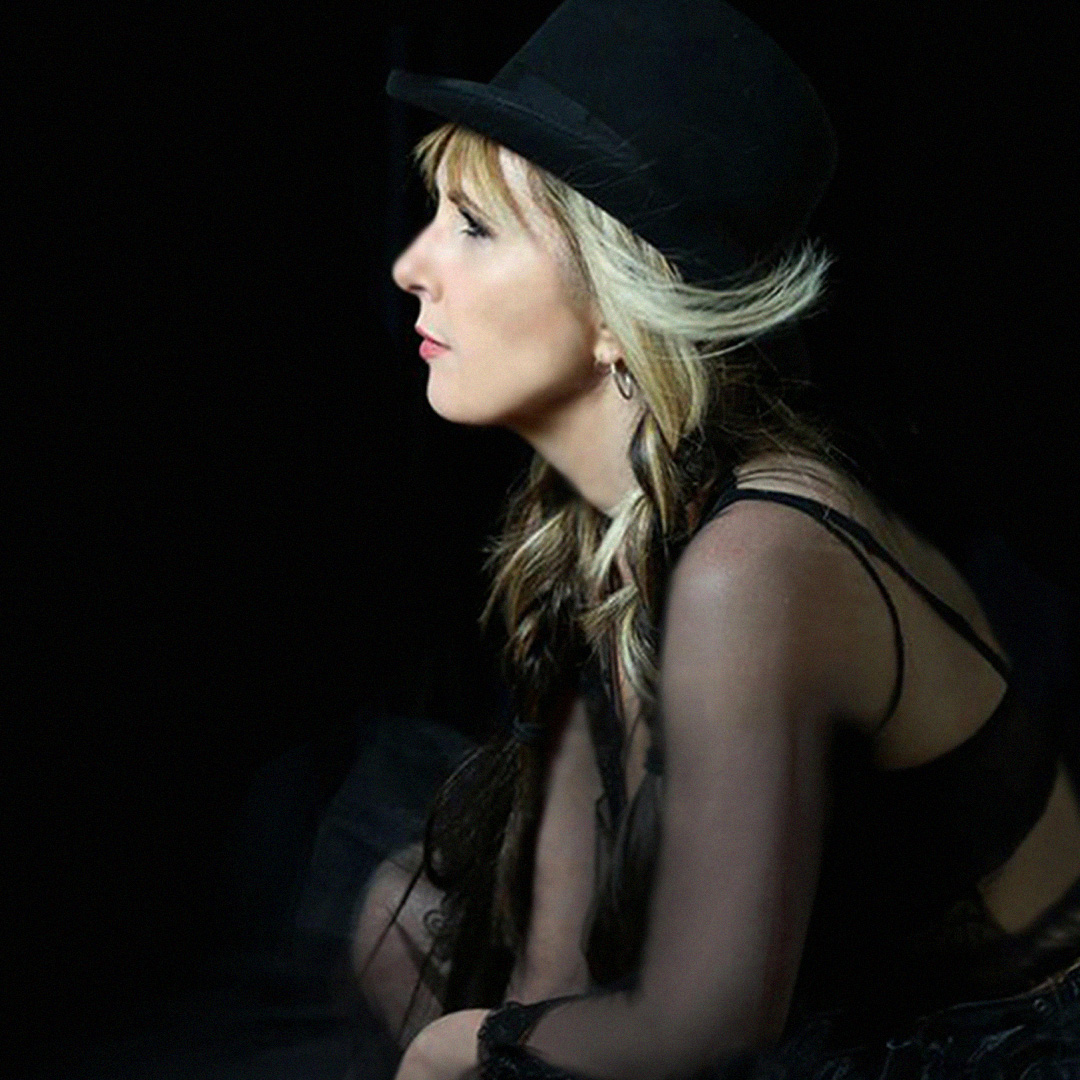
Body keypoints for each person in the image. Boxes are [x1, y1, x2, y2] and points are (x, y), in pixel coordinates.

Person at [355, 2, 1080, 1077]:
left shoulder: (753, 559)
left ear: (618, 309)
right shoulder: (597, 524)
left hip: (989, 1053)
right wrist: (496, 1041)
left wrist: (456, 1048)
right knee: (403, 920)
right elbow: (556, 954)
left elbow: (713, 1022)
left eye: (475, 226)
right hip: (825, 1005)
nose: (412, 266)